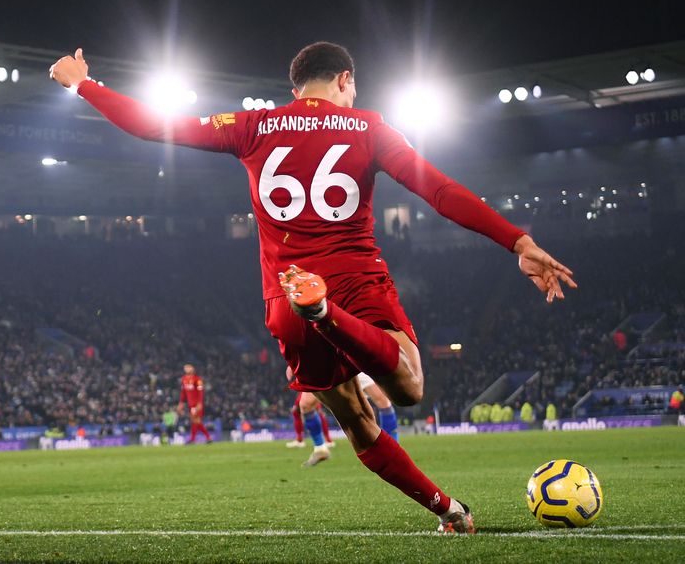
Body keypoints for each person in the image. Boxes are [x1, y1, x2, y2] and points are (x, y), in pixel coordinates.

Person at [50, 42, 576, 534]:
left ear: (297, 85)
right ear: (344, 80)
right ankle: (328, 313)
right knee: (410, 387)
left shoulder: (252, 125)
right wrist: (518, 242)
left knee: (358, 426)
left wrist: (85, 85)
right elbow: (438, 190)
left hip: (286, 300)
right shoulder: (367, 126)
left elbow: (156, 127)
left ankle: (448, 509)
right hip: (355, 281)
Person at [285, 366, 333, 467]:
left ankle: (326, 441)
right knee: (306, 406)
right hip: (315, 367)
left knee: (355, 405)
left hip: (330, 361)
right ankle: (320, 447)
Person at [178, 364, 211, 443]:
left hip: (197, 404)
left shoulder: (197, 380)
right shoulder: (184, 379)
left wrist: (199, 403)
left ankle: (194, 439)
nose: (186, 368)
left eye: (188, 367)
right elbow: (183, 393)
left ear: (193, 369)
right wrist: (181, 403)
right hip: (190, 404)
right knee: (196, 421)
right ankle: (207, 438)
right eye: (185, 367)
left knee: (195, 420)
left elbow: (200, 392)